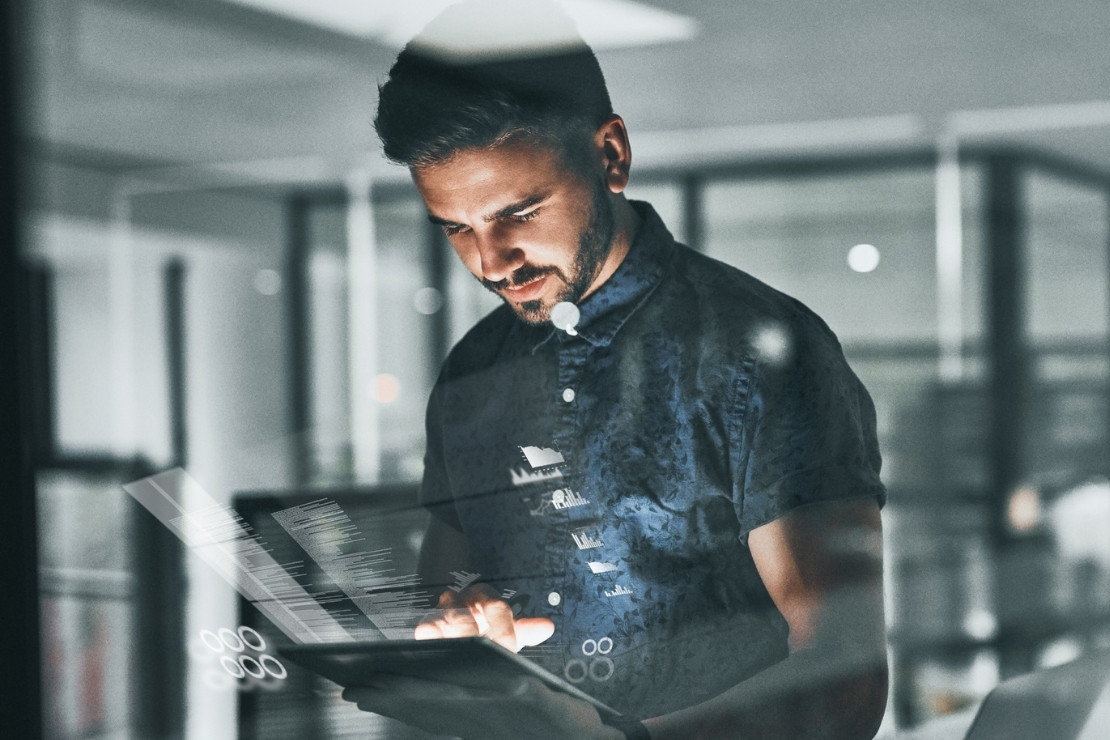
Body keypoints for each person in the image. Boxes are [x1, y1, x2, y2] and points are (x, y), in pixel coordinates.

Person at [343, 2, 888, 738]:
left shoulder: (756, 352)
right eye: (456, 229)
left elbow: (843, 681)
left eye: (520, 213)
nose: (490, 262)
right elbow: (445, 589)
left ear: (610, 157)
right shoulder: (475, 371)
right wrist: (458, 621)